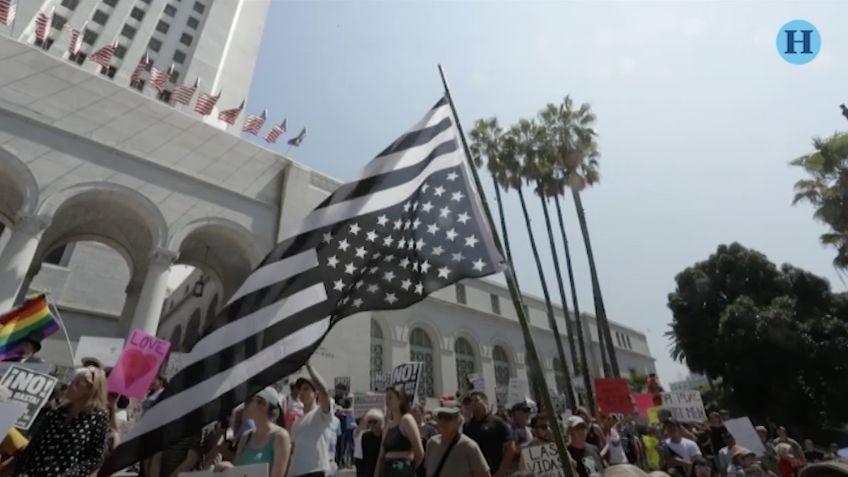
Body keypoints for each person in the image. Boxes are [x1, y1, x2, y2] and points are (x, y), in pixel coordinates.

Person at [2, 366, 110, 477]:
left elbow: (95, 457)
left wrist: (72, 474)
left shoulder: (98, 417)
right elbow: (33, 447)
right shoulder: (56, 412)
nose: (69, 385)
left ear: (91, 389)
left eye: (77, 383)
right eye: (72, 381)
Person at [230, 386, 291, 477]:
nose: (244, 406)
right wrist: (228, 469)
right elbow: (237, 472)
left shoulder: (280, 436)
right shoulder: (246, 436)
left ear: (263, 404)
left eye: (248, 401)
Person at [289, 364, 336, 477]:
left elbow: (324, 390)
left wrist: (309, 366)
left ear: (315, 393)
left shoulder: (321, 413)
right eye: (300, 389)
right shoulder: (296, 423)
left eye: (306, 389)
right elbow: (293, 450)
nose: (302, 392)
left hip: (316, 470)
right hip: (297, 472)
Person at [424, 406, 490, 477]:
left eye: (447, 418)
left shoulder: (469, 446)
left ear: (458, 422)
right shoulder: (431, 443)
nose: (442, 421)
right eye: (440, 416)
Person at [462, 391, 514, 477]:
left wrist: (502, 471)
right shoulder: (467, 426)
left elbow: (510, 448)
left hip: (494, 472)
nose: (473, 403)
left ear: (485, 402)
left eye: (476, 400)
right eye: (471, 401)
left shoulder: (498, 422)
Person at [375, 386, 424, 477]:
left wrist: (407, 470)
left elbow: (419, 453)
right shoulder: (388, 425)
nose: (387, 401)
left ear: (400, 399)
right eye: (386, 398)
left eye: (390, 397)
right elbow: (381, 456)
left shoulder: (406, 420)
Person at [355, 410, 384, 477]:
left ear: (381, 421)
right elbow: (360, 460)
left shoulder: (386, 435)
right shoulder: (365, 436)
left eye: (375, 421)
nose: (372, 425)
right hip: (368, 472)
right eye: (370, 422)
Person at [334, 382, 355, 468]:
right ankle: (336, 460)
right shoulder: (333, 399)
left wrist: (342, 411)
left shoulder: (346, 400)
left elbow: (350, 410)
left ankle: (342, 460)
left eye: (340, 389)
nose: (338, 391)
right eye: (337, 389)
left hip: (343, 422)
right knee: (336, 442)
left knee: (343, 442)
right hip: (335, 422)